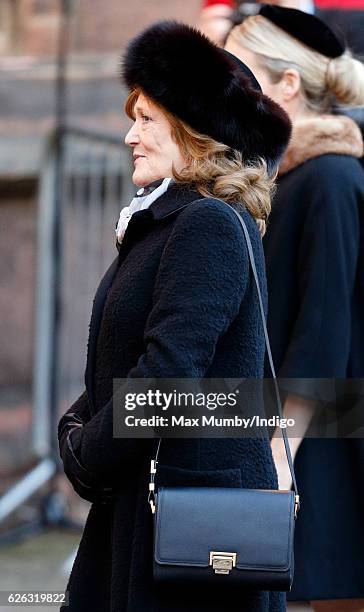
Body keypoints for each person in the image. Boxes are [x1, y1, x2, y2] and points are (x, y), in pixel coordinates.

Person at [57, 19, 292, 612]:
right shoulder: (172, 221)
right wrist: (77, 423)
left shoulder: (206, 222)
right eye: (131, 117)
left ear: (195, 135)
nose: (130, 137)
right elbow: (126, 358)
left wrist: (88, 453)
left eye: (147, 120)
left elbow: (168, 374)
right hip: (146, 501)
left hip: (185, 523)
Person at [225, 5, 364, 612]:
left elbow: (323, 330)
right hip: (302, 425)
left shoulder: (331, 176)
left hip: (329, 433)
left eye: (241, 75)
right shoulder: (282, 177)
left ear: (286, 85)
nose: (229, 93)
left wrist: (280, 455)